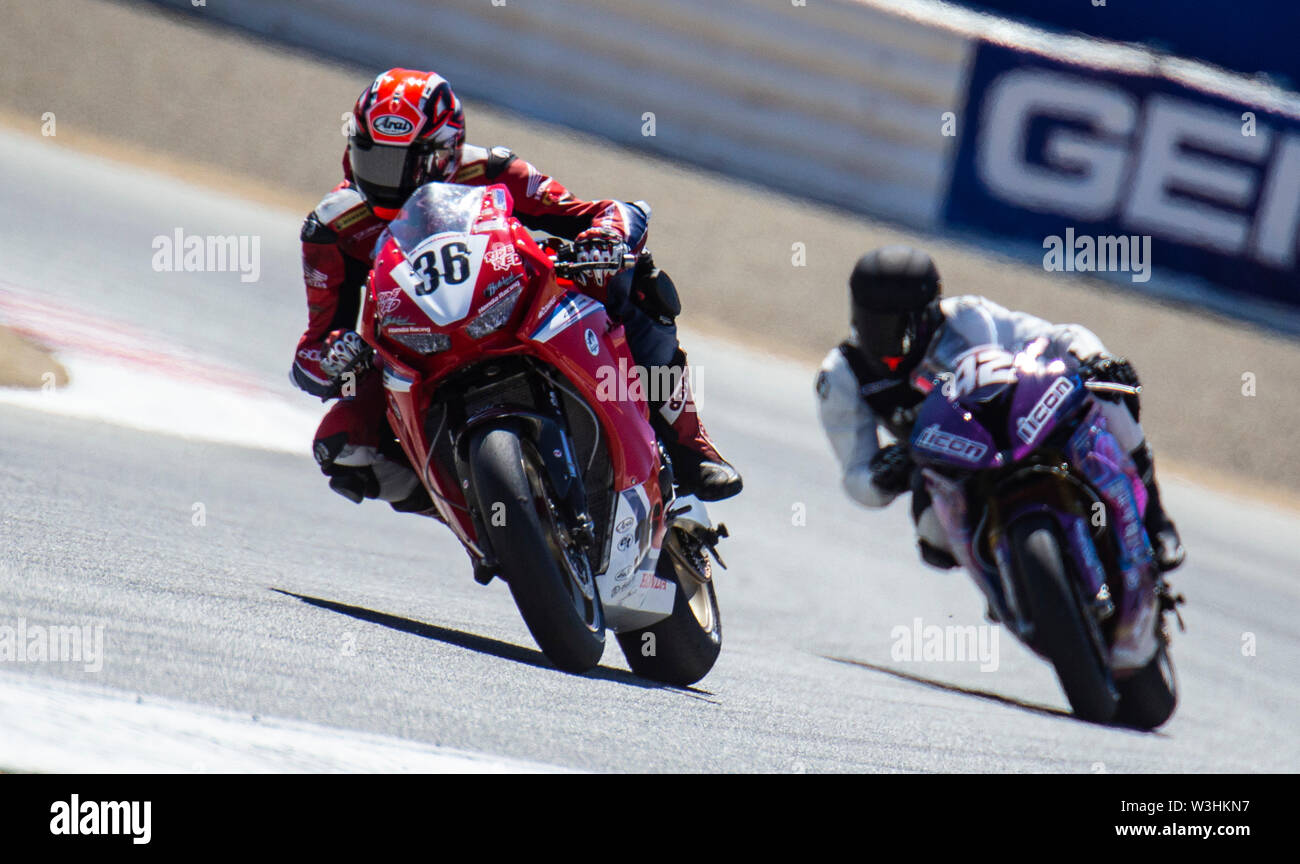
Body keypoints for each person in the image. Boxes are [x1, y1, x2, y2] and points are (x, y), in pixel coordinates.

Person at [291, 68, 742, 510]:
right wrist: (337, 358)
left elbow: (606, 212)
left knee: (639, 284)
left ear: (446, 153)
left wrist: (604, 240)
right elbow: (312, 352)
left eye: (407, 164)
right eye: (376, 160)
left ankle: (690, 447)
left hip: (508, 308)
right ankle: (481, 511)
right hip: (414, 351)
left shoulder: (492, 170)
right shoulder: (333, 226)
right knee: (341, 447)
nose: (388, 181)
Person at [815, 245, 1185, 573]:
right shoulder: (842, 375)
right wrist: (881, 478)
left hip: (1025, 426)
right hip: (951, 472)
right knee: (934, 542)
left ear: (926, 312)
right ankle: (1008, 581)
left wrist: (1096, 358)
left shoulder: (968, 318)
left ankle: (1156, 520)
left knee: (1109, 397)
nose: (884, 339)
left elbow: (1058, 336)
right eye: (872, 322)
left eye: (897, 326)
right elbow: (855, 475)